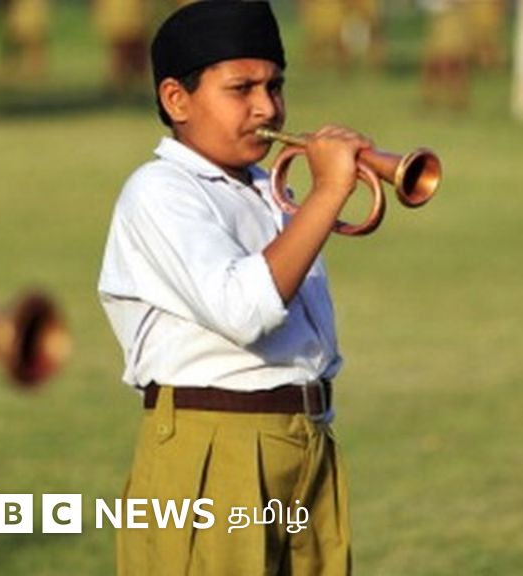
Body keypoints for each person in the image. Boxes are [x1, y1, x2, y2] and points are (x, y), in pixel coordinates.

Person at [98, 2, 368, 574]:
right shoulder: (159, 190)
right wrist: (327, 196)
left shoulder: (270, 187)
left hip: (304, 441)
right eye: (240, 88)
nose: (266, 107)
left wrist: (313, 200)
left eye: (275, 85)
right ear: (177, 99)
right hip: (213, 449)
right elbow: (245, 310)